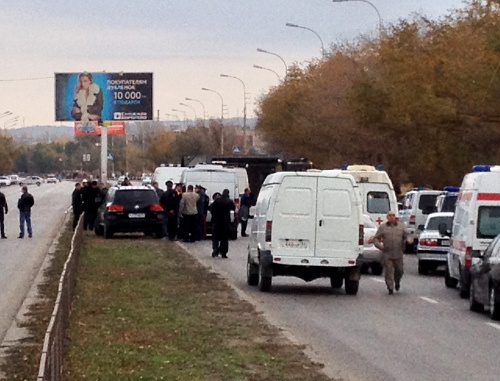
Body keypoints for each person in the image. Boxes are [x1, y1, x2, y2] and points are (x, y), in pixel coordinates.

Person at [373, 211, 413, 295]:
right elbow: (375, 238)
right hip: (387, 253)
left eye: (393, 215)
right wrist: (379, 245)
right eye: (390, 216)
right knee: (388, 271)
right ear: (387, 217)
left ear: (395, 217)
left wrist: (409, 239)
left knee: (400, 270)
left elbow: (407, 235)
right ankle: (390, 287)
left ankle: (397, 281)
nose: (391, 217)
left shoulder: (401, 226)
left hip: (398, 253)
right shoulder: (383, 227)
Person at [211, 189, 235, 258]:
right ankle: (223, 252)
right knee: (224, 238)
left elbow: (212, 209)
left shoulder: (217, 200)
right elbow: (233, 208)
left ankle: (215, 249)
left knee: (215, 236)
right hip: (225, 222)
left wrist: (214, 216)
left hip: (217, 221)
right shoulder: (229, 201)